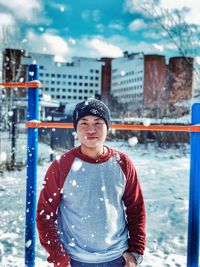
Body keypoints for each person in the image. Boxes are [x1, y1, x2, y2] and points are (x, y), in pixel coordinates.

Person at [36, 98, 146, 267]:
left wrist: (136, 252)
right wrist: (59, 257)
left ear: (107, 126)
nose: (91, 129)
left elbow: (136, 209)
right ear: (76, 128)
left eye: (98, 122)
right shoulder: (61, 165)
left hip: (118, 259)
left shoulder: (122, 163)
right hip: (75, 260)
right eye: (84, 123)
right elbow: (45, 213)